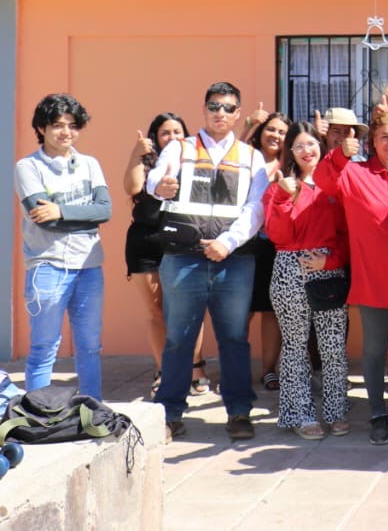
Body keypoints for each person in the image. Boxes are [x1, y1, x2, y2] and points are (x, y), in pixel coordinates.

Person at [147, 81, 269, 440]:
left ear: (238, 114)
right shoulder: (179, 149)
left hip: (233, 260)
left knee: (234, 338)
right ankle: (169, 412)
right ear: (204, 109)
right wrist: (160, 187)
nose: (220, 114)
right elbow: (158, 178)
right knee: (179, 339)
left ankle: (239, 412)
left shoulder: (251, 157)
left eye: (228, 108)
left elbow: (256, 208)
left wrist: (228, 243)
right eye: (214, 106)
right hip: (184, 258)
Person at [315, 110, 388, 447]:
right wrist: (339, 154)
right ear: (371, 142)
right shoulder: (356, 173)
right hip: (371, 275)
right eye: (382, 137)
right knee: (374, 349)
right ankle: (377, 413)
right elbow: (323, 180)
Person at [16, 93, 111, 401]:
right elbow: (42, 219)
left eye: (72, 125)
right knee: (44, 347)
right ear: (42, 128)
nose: (66, 132)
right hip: (47, 267)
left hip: (89, 267)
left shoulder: (90, 164)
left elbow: (105, 211)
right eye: (57, 125)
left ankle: (93, 408)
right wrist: (83, 217)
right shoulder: (27, 167)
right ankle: (38, 417)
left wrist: (61, 211)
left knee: (90, 346)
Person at [263, 121, 351, 439]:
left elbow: (346, 235)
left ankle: (336, 411)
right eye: (299, 145)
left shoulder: (335, 186)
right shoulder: (278, 187)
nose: (306, 150)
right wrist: (284, 199)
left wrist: (330, 260)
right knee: (296, 346)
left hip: (328, 269)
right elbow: (277, 234)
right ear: (291, 152)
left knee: (332, 347)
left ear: (321, 146)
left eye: (311, 143)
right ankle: (301, 414)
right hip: (289, 269)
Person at [123, 113, 212, 398]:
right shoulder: (147, 163)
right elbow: (132, 188)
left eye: (178, 132)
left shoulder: (196, 161)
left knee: (190, 309)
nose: (172, 138)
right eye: (165, 133)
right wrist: (137, 155)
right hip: (146, 242)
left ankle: (195, 366)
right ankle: (164, 371)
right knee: (156, 310)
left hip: (184, 240)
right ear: (155, 137)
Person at [244, 111, 291, 392]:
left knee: (270, 310)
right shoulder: (247, 157)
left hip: (275, 245)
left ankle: (268, 370)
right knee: (241, 310)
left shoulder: (289, 163)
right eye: (271, 129)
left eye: (282, 131)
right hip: (245, 243)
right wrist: (247, 126)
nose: (275, 135)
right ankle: (234, 368)